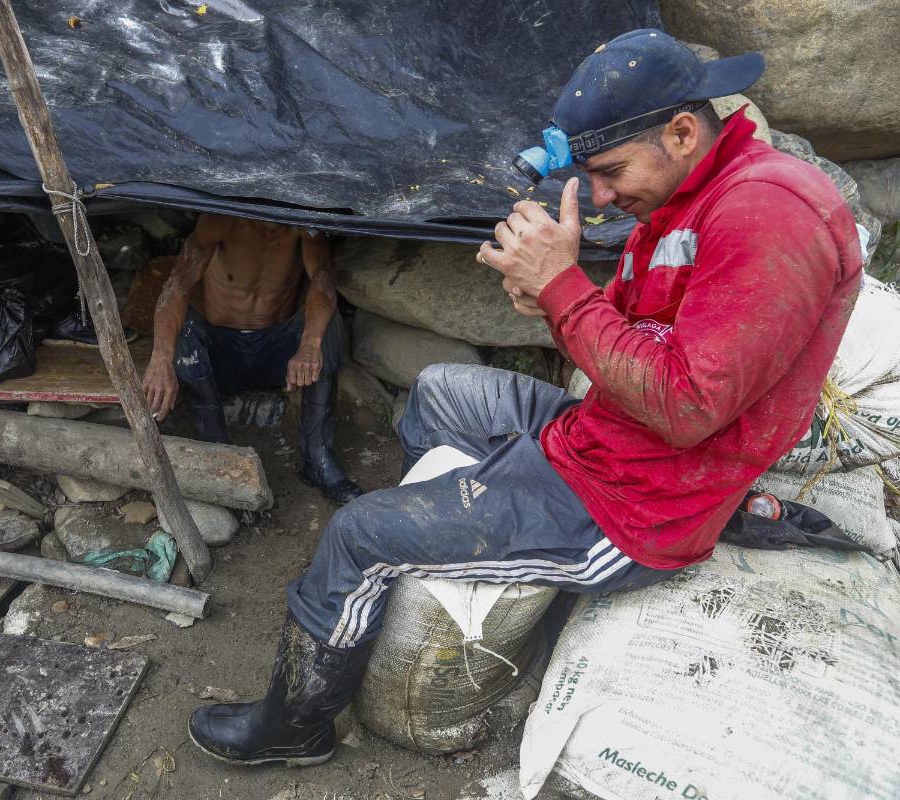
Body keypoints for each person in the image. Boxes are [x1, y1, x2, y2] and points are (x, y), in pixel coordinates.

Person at [187, 29, 863, 766]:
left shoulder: (766, 215)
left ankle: (296, 727)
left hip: (639, 499)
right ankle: (467, 530)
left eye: (610, 171)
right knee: (442, 393)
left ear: (681, 131)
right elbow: (639, 344)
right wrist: (551, 300)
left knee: (357, 533)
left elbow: (689, 406)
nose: (602, 196)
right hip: (612, 432)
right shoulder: (688, 199)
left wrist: (563, 289)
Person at [141, 214, 362, 504]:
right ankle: (218, 452)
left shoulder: (302, 226)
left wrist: (309, 344)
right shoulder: (218, 221)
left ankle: (317, 456)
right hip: (223, 356)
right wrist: (160, 358)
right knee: (184, 331)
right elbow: (177, 285)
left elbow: (322, 280)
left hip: (275, 353)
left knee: (327, 325)